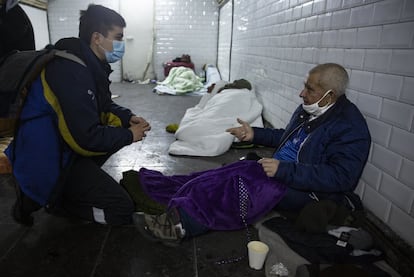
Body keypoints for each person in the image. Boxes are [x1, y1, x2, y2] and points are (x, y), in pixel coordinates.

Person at [133, 63, 371, 245]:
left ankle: (180, 225)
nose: (301, 93)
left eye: (309, 88)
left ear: (329, 95)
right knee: (226, 173)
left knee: (242, 184)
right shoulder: (310, 109)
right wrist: (254, 135)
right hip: (282, 170)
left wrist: (284, 170)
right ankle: (162, 190)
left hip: (309, 190)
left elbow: (341, 178)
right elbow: (286, 138)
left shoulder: (350, 127)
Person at [6, 4, 151, 226]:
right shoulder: (71, 71)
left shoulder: (89, 64)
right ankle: (58, 202)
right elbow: (86, 137)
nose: (121, 44)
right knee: (121, 210)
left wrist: (126, 118)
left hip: (63, 148)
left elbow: (102, 106)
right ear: (97, 38)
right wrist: (130, 135)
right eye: (118, 37)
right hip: (49, 158)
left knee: (120, 131)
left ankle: (70, 187)